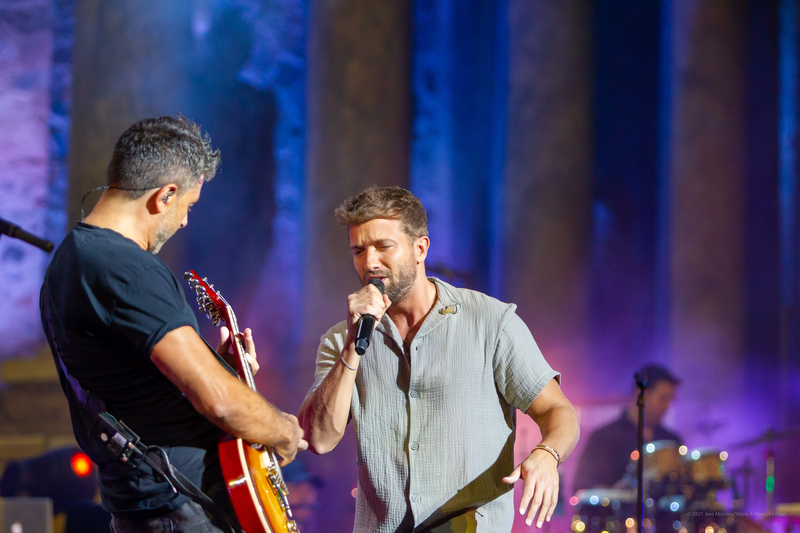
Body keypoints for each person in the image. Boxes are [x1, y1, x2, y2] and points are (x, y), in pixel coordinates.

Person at [39, 116, 307, 532]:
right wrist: (284, 430)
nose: (184, 222)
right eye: (188, 206)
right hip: (182, 512)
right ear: (165, 195)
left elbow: (129, 381)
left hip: (148, 507)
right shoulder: (127, 268)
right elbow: (218, 400)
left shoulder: (69, 260)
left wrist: (211, 365)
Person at [298, 186, 580, 532]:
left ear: (420, 248)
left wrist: (547, 455)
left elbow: (559, 411)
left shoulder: (491, 322)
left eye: (383, 247)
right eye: (359, 250)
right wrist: (351, 350)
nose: (369, 262)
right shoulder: (341, 339)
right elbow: (318, 439)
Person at [572, 364, 681, 492]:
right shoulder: (604, 437)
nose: (667, 406)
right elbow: (582, 485)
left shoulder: (671, 441)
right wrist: (614, 494)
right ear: (641, 394)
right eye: (663, 398)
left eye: (670, 400)